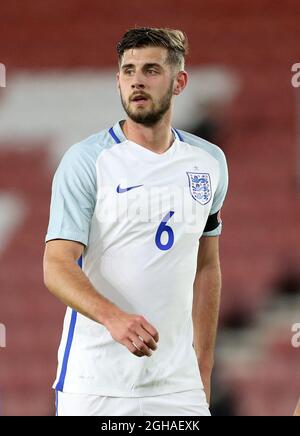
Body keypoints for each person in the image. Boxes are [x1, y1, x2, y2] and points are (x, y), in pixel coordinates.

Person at [43, 27, 228, 416]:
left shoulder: (209, 163)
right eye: (128, 71)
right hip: (95, 383)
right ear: (117, 81)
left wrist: (204, 366)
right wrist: (114, 318)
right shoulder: (87, 160)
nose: (137, 81)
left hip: (177, 386)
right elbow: (56, 265)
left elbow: (207, 266)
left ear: (179, 82)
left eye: (150, 70)